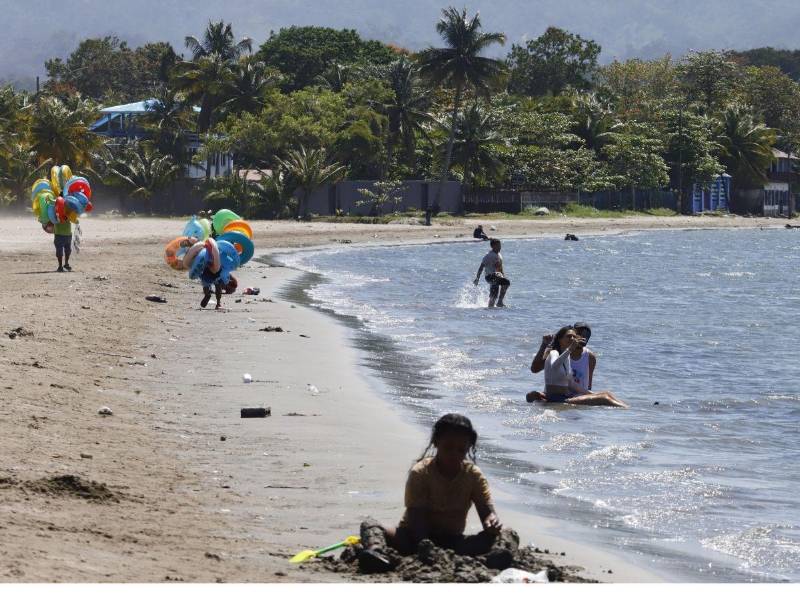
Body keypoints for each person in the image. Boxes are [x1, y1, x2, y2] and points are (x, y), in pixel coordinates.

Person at [358, 413, 518, 574]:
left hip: (453, 542)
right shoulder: (420, 473)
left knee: (508, 532)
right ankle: (376, 553)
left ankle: (497, 558)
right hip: (413, 538)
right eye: (448, 447)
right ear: (436, 442)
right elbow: (415, 518)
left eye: (461, 450)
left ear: (468, 448)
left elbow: (487, 513)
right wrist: (427, 549)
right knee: (370, 525)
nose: (454, 454)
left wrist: (492, 521)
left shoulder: (473, 475)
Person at [532, 326, 627, 408]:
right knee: (604, 399)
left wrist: (595, 394)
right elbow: (554, 366)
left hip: (565, 396)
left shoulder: (567, 357)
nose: (572, 339)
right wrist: (570, 349)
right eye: (569, 336)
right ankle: (626, 411)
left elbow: (572, 384)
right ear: (560, 340)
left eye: (574, 336)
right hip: (556, 398)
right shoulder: (554, 352)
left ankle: (628, 409)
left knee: (606, 394)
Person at [529, 322, 597, 397]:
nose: (583, 337)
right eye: (579, 334)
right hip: (559, 395)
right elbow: (535, 369)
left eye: (586, 335)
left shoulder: (590, 356)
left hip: (579, 396)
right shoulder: (556, 352)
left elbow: (589, 385)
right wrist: (544, 345)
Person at [473, 239, 510, 308]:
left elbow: (500, 268)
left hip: (497, 276)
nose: (500, 247)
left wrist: (503, 276)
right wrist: (477, 278)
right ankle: (499, 302)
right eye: (498, 246)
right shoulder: (488, 256)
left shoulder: (499, 255)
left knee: (494, 295)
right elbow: (481, 267)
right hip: (490, 276)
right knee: (505, 283)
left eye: (500, 246)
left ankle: (492, 307)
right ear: (493, 246)